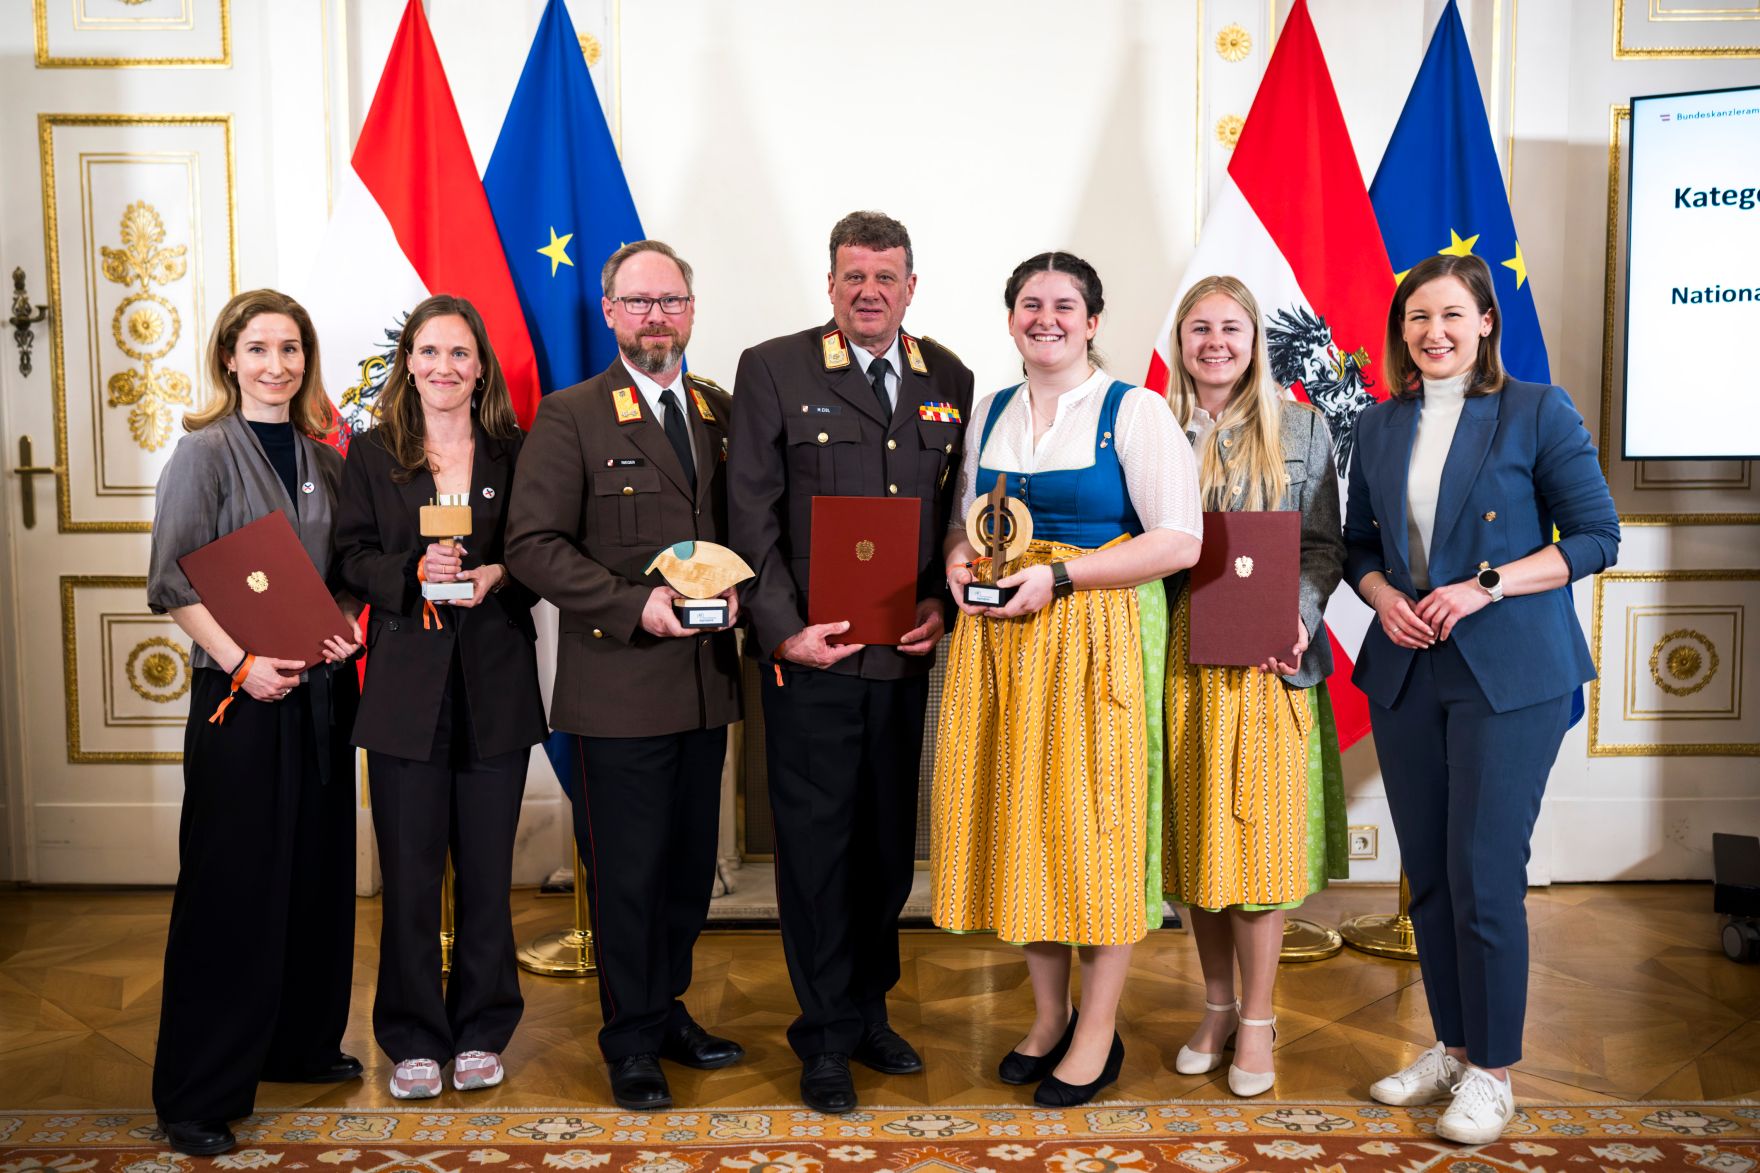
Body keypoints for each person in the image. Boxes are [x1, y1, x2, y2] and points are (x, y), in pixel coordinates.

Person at [1345, 254, 1618, 1144]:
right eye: (1416, 318)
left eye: (1451, 314)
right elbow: (1358, 548)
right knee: (1429, 869)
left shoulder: (1538, 408)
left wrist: (1485, 585)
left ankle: (1495, 1072)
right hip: (1410, 668)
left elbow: (1594, 536)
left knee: (1484, 870)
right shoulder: (1380, 426)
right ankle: (1455, 1045)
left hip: (1512, 673)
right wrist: (1385, 597)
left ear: (1487, 321)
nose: (1433, 332)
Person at [934, 252, 1201, 1107]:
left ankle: (1097, 1028)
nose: (1044, 317)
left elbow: (1178, 540)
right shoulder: (989, 413)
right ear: (1010, 316)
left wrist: (1064, 577)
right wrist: (953, 563)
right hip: (1003, 646)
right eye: (1029, 303)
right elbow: (963, 526)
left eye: (1064, 305)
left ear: (1093, 319)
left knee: (1096, 832)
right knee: (1024, 826)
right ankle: (1048, 1015)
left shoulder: (1136, 410)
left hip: (1092, 645)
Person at [728, 211, 974, 1115]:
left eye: (886, 276)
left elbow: (955, 515)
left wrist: (941, 605)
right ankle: (823, 1033)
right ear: (830, 286)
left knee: (883, 851)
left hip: (902, 662)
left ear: (912, 285)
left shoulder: (948, 374)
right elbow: (749, 511)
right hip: (812, 660)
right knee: (819, 855)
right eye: (853, 276)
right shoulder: (775, 368)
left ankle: (870, 1008)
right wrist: (782, 627)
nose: (869, 291)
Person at [506, 240, 743, 1112]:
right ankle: (630, 1038)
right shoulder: (570, 415)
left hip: (705, 684)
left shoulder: (718, 410)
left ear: (691, 309)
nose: (656, 316)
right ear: (609, 312)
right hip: (616, 687)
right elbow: (532, 546)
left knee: (686, 871)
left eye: (671, 301)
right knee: (628, 873)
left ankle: (665, 1004)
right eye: (638, 302)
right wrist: (628, 602)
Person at [146, 289, 363, 1156]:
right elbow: (172, 581)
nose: (277, 364)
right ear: (229, 359)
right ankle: (197, 1093)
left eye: (292, 348)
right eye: (259, 348)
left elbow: (341, 571)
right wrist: (240, 661)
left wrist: (345, 628)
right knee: (232, 889)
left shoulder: (327, 458)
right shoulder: (203, 454)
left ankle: (298, 1044)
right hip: (240, 698)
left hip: (316, 693)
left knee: (314, 875)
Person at [334, 294, 547, 1099]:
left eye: (460, 353)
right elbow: (350, 556)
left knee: (489, 873)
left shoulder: (515, 450)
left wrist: (500, 575)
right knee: (412, 874)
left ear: (481, 365)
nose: (444, 367)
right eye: (429, 352)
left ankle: (484, 1028)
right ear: (409, 363)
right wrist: (407, 575)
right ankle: (414, 1035)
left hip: (494, 683)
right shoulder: (372, 454)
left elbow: (540, 551)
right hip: (403, 690)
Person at [1160, 275, 1346, 1098]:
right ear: (1180, 338)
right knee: (1198, 843)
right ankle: (1217, 1005)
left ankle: (1262, 1020)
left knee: (1257, 854)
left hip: (1269, 667)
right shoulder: (1148, 423)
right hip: (1178, 664)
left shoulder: (1302, 427)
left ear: (1254, 339)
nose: (1215, 343)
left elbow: (1322, 548)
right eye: (1199, 328)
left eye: (1230, 328)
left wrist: (1298, 618)